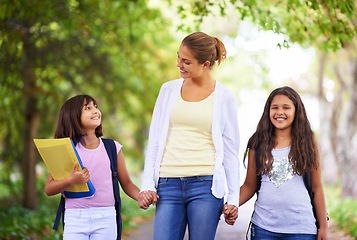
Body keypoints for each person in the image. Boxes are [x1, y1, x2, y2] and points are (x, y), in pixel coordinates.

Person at [138, 32, 240, 240]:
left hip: (206, 186)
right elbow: (155, 142)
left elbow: (230, 151)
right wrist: (147, 185)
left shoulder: (224, 97)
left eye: (186, 62)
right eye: (178, 57)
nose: (179, 65)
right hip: (168, 184)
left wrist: (233, 198)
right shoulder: (168, 90)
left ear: (205, 64)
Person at [44, 95, 153, 240]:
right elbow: (49, 189)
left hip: (106, 217)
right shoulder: (66, 150)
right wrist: (71, 180)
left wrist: (140, 196)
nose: (95, 110)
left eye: (95, 106)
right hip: (75, 217)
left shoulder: (112, 148)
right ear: (73, 117)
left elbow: (126, 183)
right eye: (88, 108)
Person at [227, 86, 328, 239]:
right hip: (263, 228)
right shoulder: (258, 143)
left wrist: (323, 227)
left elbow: (317, 187)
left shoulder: (307, 143)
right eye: (275, 107)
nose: (280, 112)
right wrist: (231, 204)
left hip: (302, 229)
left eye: (286, 107)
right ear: (268, 111)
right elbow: (249, 185)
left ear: (296, 111)